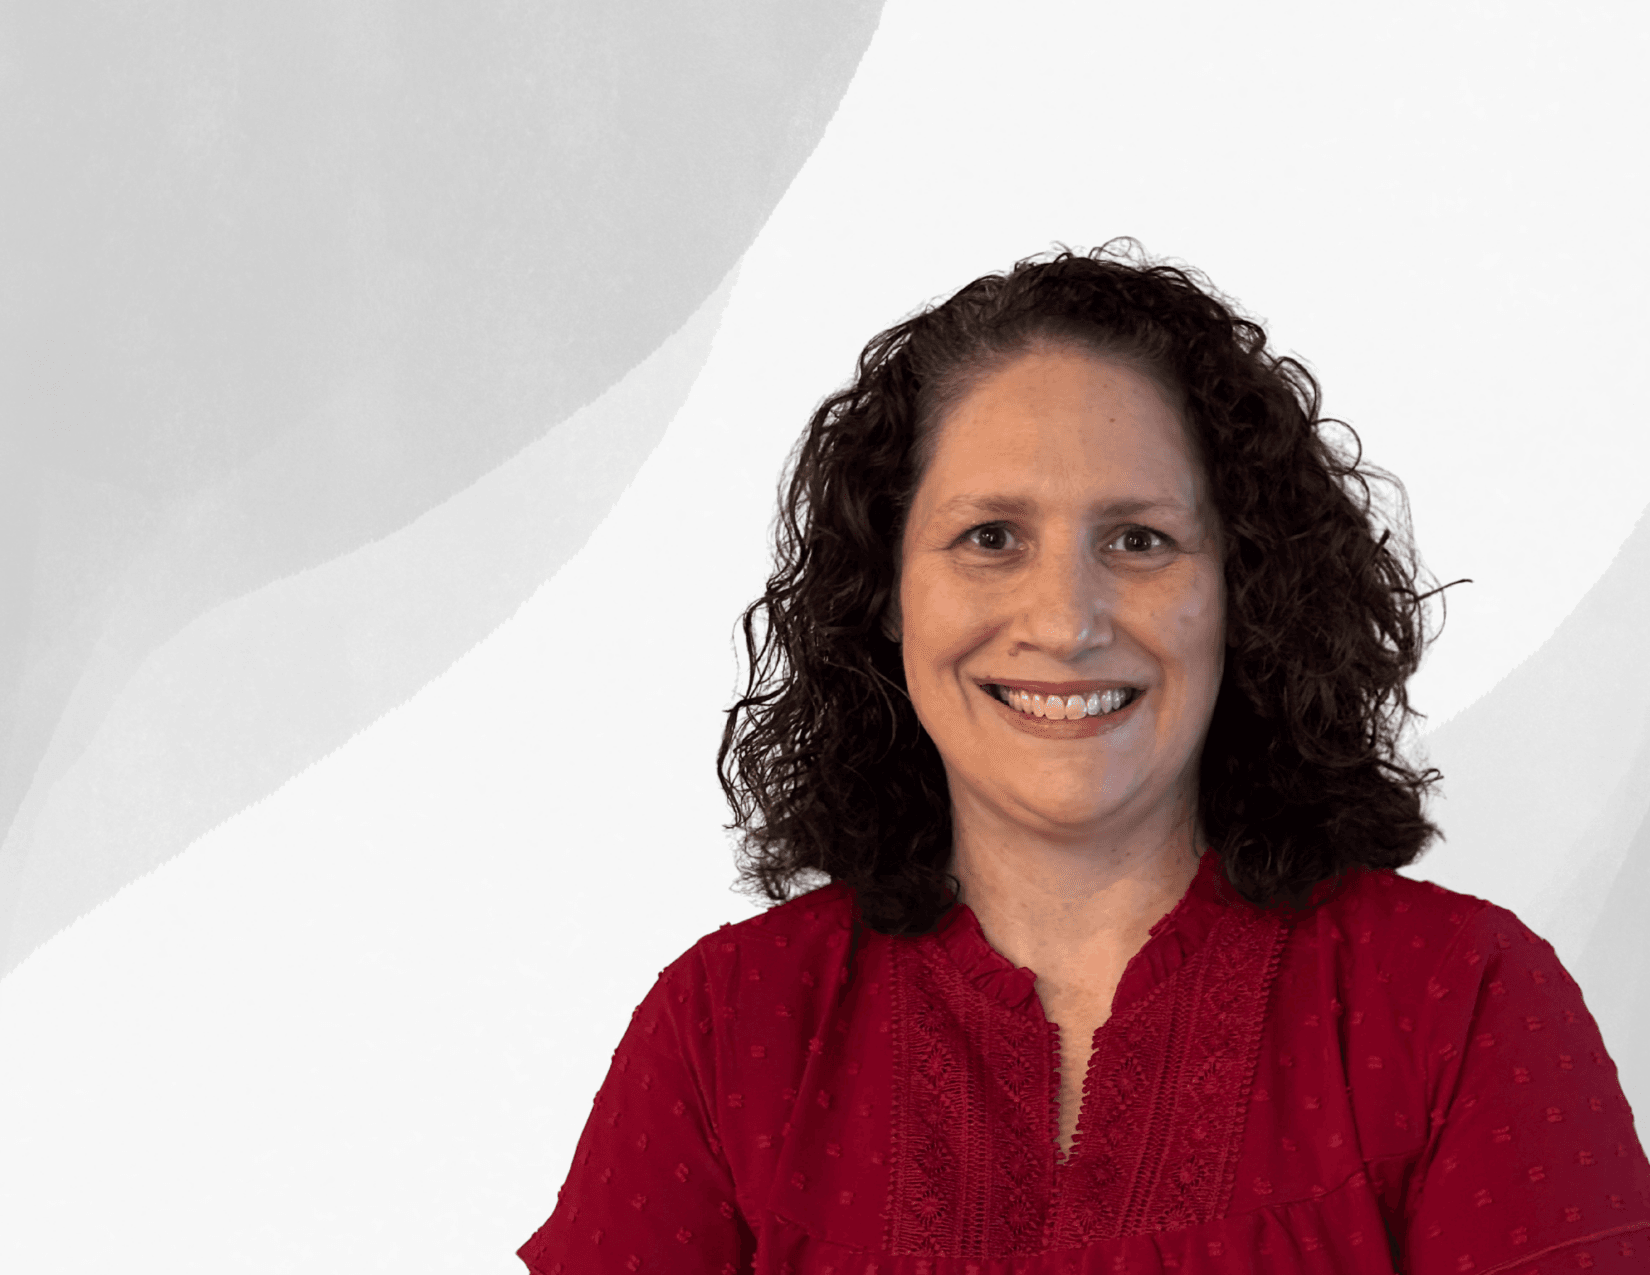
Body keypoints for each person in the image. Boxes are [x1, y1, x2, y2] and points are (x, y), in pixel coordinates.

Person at [517, 244, 1650, 1273]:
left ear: (1240, 591)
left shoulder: (1456, 1006)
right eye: (990, 539)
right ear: (887, 598)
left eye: (1140, 541)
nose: (1065, 621)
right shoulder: (730, 1032)